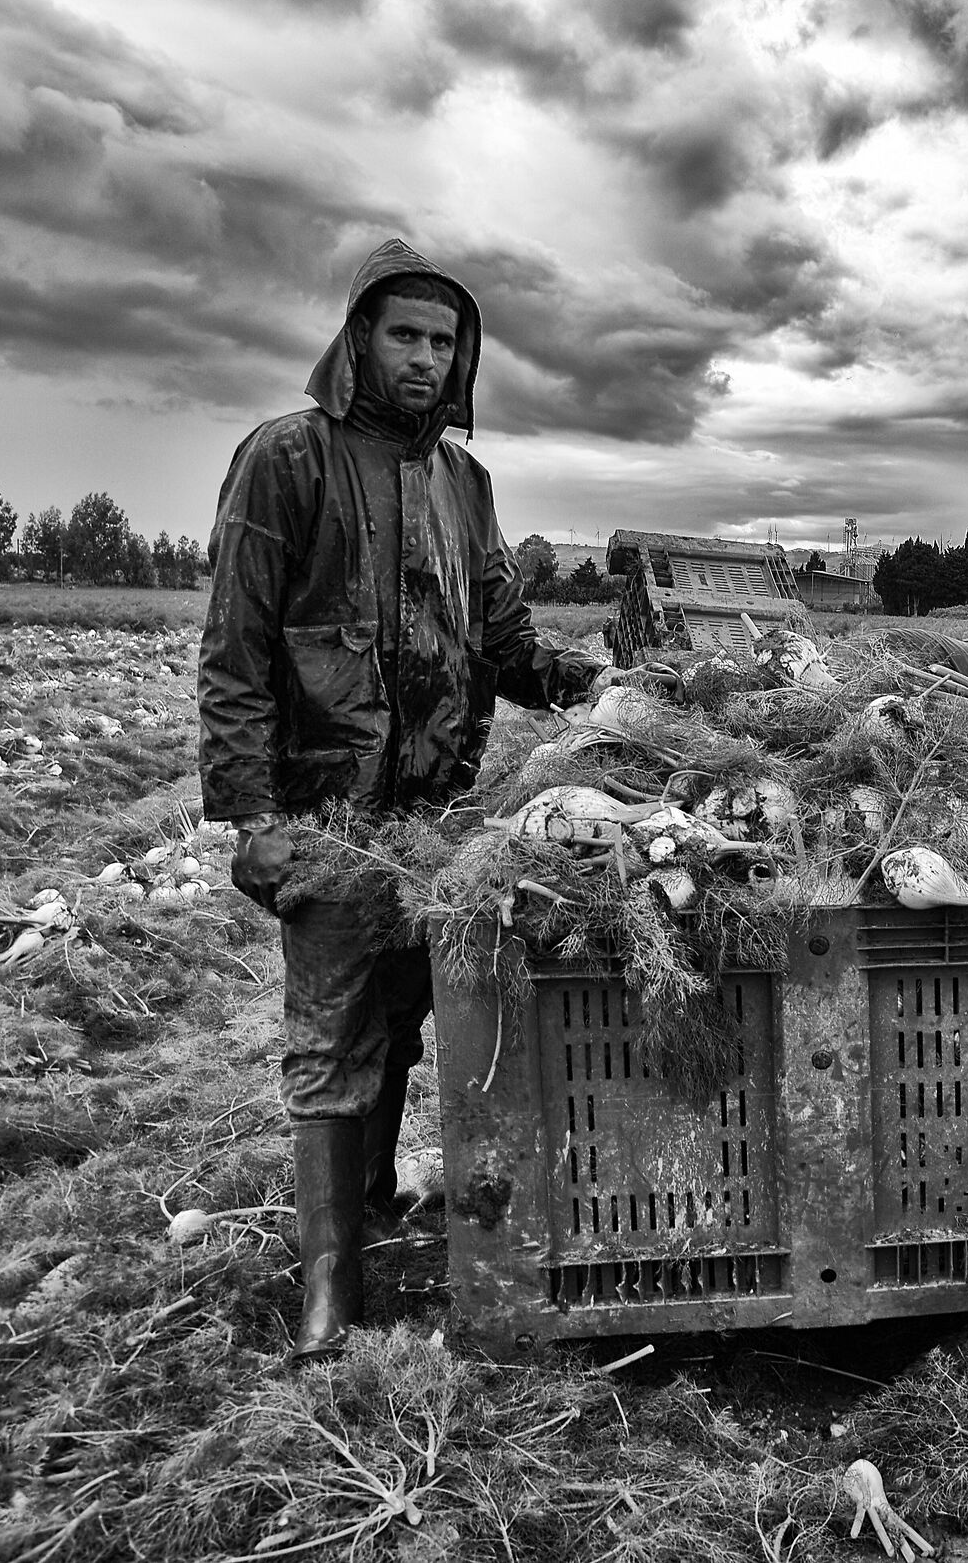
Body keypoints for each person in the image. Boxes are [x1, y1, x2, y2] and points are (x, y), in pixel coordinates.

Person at [200, 239, 631, 1363]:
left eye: (445, 342)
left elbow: (500, 635)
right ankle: (328, 1293)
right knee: (332, 1036)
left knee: (405, 1012)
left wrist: (595, 686)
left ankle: (384, 1198)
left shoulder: (464, 483)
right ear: (356, 338)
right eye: (404, 335)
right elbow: (236, 649)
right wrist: (254, 816)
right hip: (326, 812)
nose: (426, 359)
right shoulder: (287, 458)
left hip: (436, 811)